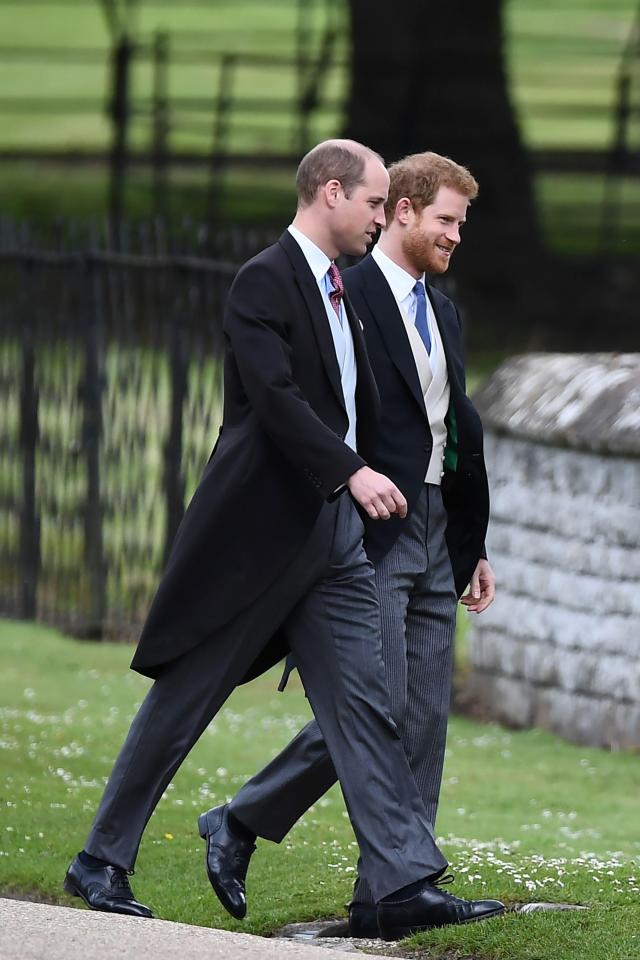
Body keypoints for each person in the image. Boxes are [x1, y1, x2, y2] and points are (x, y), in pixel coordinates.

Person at [63, 140, 503, 942]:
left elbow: (383, 408)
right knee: (187, 697)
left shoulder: (341, 289)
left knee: (371, 706)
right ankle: (101, 858)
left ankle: (401, 881)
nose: (380, 216)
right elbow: (274, 397)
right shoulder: (262, 280)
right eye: (373, 203)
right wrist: (353, 472)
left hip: (337, 541)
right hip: (264, 533)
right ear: (329, 194)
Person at [199, 151, 497, 939]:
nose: (455, 237)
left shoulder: (447, 311)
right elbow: (316, 411)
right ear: (400, 210)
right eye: (446, 221)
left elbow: (453, 431)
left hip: (438, 531)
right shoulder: (349, 293)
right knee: (377, 706)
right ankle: (243, 817)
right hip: (370, 532)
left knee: (425, 713)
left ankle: (391, 890)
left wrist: (474, 542)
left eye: (460, 225)